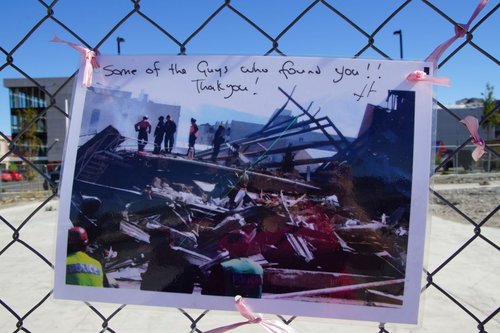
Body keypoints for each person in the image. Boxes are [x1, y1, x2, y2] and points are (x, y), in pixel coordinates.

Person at [202, 229, 263, 298]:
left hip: (227, 307)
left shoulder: (222, 267)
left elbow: (207, 294)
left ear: (228, 246)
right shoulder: (258, 268)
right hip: (253, 308)